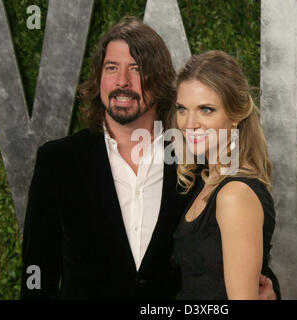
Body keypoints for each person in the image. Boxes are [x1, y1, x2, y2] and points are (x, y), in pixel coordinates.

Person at [20, 16, 280, 299]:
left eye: (137, 68)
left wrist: (270, 292)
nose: (123, 81)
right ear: (99, 78)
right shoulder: (58, 161)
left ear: (159, 80)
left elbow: (232, 255)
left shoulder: (194, 160)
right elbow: (38, 272)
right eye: (111, 68)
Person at [170, 50, 277, 299]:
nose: (190, 123)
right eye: (183, 109)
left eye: (206, 109)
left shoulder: (234, 194)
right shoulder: (205, 182)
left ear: (236, 116)